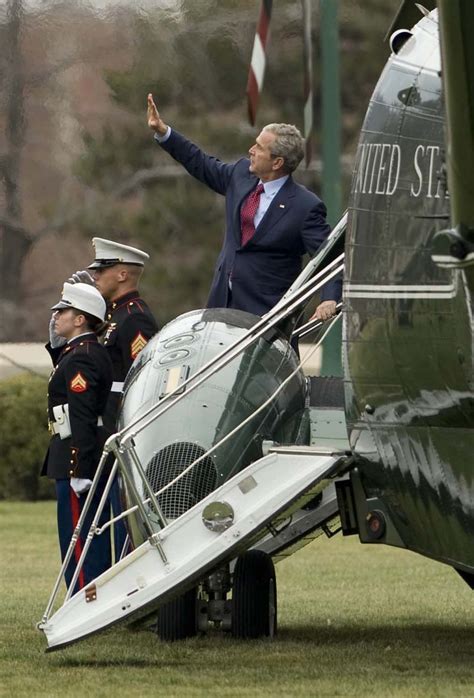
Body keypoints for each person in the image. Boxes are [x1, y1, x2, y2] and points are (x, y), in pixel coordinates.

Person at [147, 93, 340, 322]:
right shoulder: (240, 175)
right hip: (221, 307)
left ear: (277, 162)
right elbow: (201, 163)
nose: (251, 150)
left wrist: (329, 298)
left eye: (259, 147)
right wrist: (164, 132)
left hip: (267, 317)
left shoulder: (305, 206)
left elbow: (331, 256)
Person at [41, 282, 113, 591]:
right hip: (75, 451)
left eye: (63, 311)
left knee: (79, 535)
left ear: (80, 318)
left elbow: (81, 415)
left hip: (76, 455)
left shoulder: (82, 356)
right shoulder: (80, 351)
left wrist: (79, 468)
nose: (57, 316)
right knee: (83, 533)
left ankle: (85, 597)